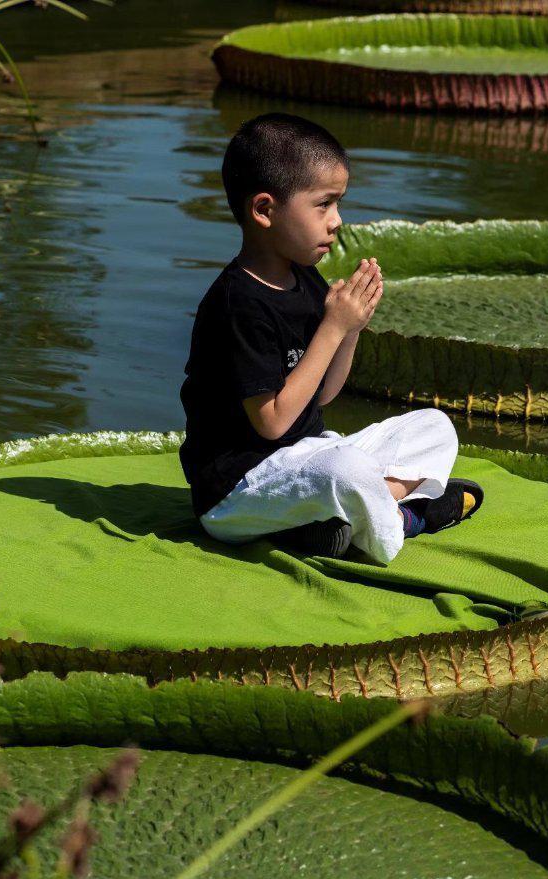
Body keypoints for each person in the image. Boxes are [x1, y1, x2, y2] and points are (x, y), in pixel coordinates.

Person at [179, 113, 480, 563]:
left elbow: (321, 397)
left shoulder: (306, 281)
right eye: (323, 204)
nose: (337, 221)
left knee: (435, 428)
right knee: (345, 470)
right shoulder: (237, 303)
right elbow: (273, 422)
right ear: (264, 210)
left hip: (308, 458)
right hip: (240, 491)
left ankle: (325, 526)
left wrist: (350, 330)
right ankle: (409, 520)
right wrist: (332, 328)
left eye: (337, 205)